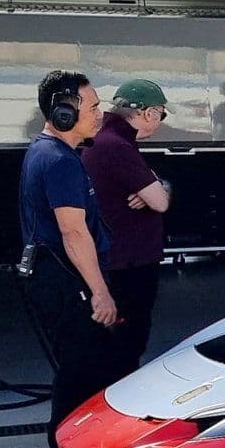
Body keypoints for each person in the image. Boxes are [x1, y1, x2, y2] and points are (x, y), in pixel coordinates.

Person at [18, 71, 116, 448]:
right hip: (64, 280)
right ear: (63, 110)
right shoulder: (58, 161)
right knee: (79, 371)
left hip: (54, 277)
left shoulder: (51, 154)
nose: (100, 114)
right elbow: (73, 233)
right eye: (92, 107)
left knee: (83, 368)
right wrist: (100, 292)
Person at [83, 79, 171, 383]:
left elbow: (153, 192)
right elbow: (159, 201)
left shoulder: (107, 141)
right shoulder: (117, 147)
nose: (160, 120)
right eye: (161, 113)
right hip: (128, 263)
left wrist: (154, 185)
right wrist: (158, 186)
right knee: (127, 343)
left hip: (118, 259)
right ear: (147, 113)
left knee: (118, 344)